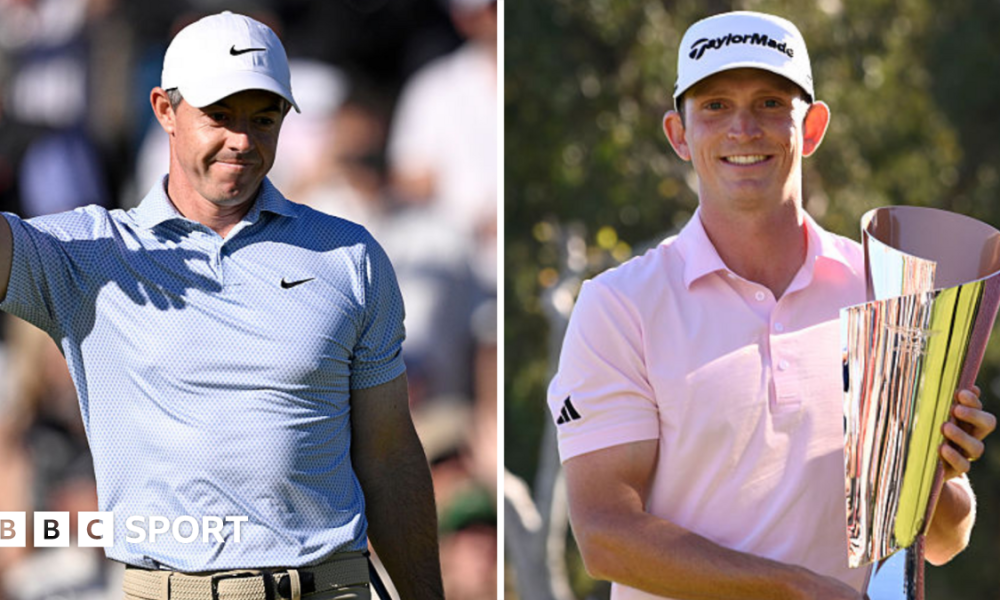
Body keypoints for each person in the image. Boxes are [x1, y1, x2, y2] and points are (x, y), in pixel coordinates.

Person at [547, 11, 996, 600]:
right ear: (679, 135)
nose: (742, 129)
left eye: (768, 103)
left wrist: (945, 469)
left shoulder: (889, 288)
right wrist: (795, 590)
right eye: (713, 106)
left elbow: (940, 539)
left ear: (810, 127)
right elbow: (605, 535)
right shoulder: (619, 306)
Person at [0, 11, 443, 600]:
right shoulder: (89, 253)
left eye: (264, 119)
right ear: (164, 110)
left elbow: (389, 455)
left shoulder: (349, 256)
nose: (242, 141)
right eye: (219, 116)